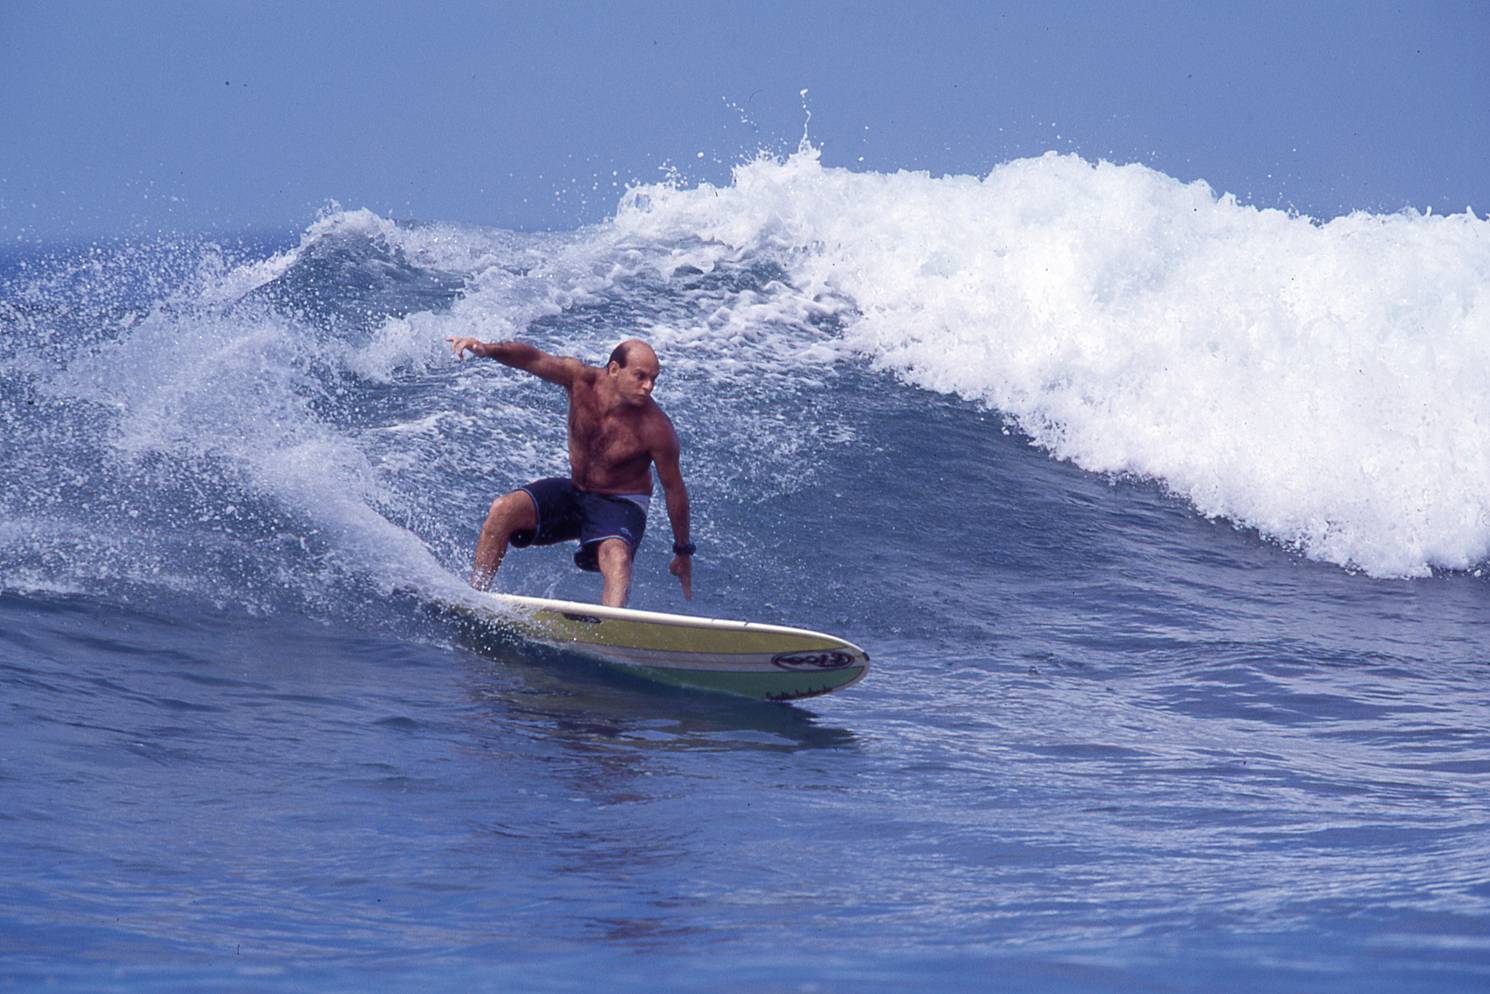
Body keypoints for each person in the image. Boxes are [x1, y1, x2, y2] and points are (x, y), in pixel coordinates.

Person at [446, 335, 694, 608]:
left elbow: (674, 489)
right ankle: (473, 599)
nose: (648, 386)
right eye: (640, 376)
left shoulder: (657, 429)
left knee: (617, 556)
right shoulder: (580, 381)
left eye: (653, 379)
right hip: (577, 491)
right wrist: (487, 349)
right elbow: (533, 359)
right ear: (614, 369)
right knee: (503, 510)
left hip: (620, 503)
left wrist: (682, 552)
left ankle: (612, 628)